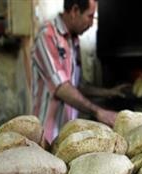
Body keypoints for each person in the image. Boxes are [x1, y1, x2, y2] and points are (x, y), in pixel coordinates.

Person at [31, 0, 127, 145]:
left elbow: (76, 84)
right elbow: (62, 87)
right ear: (75, 11)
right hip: (46, 136)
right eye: (90, 16)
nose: (91, 23)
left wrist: (108, 92)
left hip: (67, 134)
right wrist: (98, 111)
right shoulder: (47, 35)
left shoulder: (73, 40)